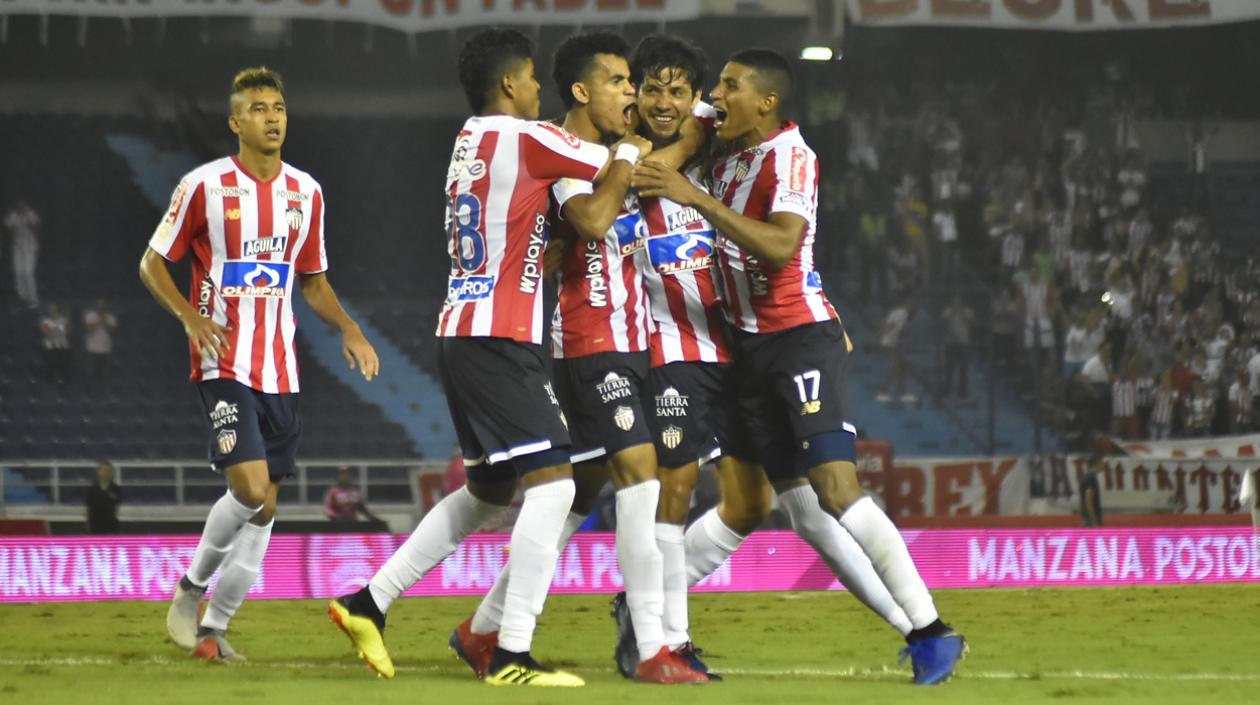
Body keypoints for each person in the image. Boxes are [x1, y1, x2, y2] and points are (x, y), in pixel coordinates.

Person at [633, 48, 965, 685]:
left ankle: (930, 629)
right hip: (748, 350)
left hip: (796, 340)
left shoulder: (791, 156)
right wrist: (669, 165)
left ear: (766, 101)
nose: (713, 96)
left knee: (837, 491)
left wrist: (691, 198)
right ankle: (647, 612)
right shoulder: (723, 133)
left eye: (729, 86)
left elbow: (783, 245)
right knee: (800, 511)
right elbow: (677, 148)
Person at [328, 29, 644, 687]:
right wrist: (634, 145)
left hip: (463, 329)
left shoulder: (469, 140)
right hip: (499, 336)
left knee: (487, 490)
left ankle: (369, 602)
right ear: (510, 83)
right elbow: (600, 201)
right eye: (532, 79)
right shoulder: (526, 136)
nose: (539, 91)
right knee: (555, 485)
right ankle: (512, 654)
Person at [447, 32, 705, 685]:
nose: (632, 93)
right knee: (641, 477)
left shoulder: (609, 153)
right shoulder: (558, 155)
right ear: (583, 89)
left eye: (634, 83)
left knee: (573, 497)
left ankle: (484, 624)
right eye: (621, 81)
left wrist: (692, 123)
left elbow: (649, 169)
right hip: (587, 344)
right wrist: (666, 139)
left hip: (629, 341)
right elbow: (588, 219)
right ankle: (651, 646)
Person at [140, 67, 380, 662]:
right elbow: (152, 264)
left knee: (267, 508)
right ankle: (190, 591)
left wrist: (349, 327)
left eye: (278, 106)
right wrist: (190, 319)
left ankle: (215, 631)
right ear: (235, 122)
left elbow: (314, 283)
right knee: (248, 490)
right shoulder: (204, 186)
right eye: (258, 108)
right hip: (222, 358)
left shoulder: (307, 193)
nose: (272, 117)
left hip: (281, 367)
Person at [4, 198, 40, 308]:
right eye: (19, 203)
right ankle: (22, 298)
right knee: (18, 273)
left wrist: (28, 218)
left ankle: (33, 299)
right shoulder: (14, 215)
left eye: (23, 204)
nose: (21, 206)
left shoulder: (31, 214)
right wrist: (13, 220)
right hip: (17, 248)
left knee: (28, 274)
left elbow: (38, 226)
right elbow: (6, 226)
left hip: (29, 248)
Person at [939, 295, 973, 399]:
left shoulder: (967, 311)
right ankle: (948, 389)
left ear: (962, 302)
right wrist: (952, 313)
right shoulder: (947, 311)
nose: (956, 303)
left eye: (958, 301)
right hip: (951, 343)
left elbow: (970, 323)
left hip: (964, 343)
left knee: (963, 368)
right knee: (949, 368)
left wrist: (961, 314)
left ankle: (962, 391)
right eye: (954, 301)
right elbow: (942, 322)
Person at [83, 299, 119, 376]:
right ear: (96, 306)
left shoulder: (111, 318)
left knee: (105, 374)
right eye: (99, 305)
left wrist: (104, 321)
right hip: (92, 349)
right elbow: (89, 330)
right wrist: (99, 320)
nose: (101, 307)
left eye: (102, 306)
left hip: (106, 350)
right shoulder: (90, 316)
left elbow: (113, 332)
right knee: (90, 374)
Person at [85, 460, 122, 534]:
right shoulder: (92, 489)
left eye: (108, 470)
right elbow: (88, 507)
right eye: (103, 470)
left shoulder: (116, 489)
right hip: (95, 525)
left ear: (111, 473)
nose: (106, 473)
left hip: (110, 525)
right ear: (99, 472)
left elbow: (117, 506)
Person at [39, 303, 71, 382]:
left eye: (54, 309)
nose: (52, 311)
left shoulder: (63, 319)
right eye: (51, 309)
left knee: (63, 366)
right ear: (48, 311)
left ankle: (61, 379)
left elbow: (66, 331)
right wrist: (58, 327)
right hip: (50, 348)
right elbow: (48, 333)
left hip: (62, 347)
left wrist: (55, 328)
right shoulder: (45, 321)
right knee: (51, 365)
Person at [1079, 454, 1103, 527]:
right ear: (1096, 464)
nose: (1103, 465)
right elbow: (1088, 499)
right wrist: (1094, 519)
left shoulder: (1087, 477)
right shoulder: (1091, 478)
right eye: (1101, 463)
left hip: (1087, 518)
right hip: (1090, 520)